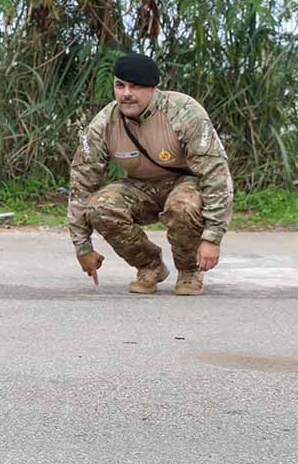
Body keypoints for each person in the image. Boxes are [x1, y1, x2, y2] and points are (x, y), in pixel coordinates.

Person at [67, 53, 234, 295]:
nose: (126, 94)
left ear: (154, 89)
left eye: (135, 87)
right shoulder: (103, 123)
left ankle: (189, 271)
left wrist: (212, 238)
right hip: (140, 186)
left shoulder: (184, 112)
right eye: (120, 85)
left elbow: (216, 174)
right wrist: (83, 246)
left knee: (183, 205)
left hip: (184, 186)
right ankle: (150, 266)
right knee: (99, 207)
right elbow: (81, 183)